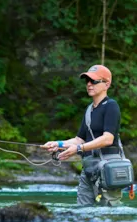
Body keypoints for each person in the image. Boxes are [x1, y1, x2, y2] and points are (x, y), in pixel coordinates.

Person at [41, 64, 124, 206]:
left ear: (107, 84)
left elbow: (108, 138)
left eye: (94, 81)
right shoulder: (89, 110)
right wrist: (58, 144)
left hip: (107, 169)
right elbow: (79, 139)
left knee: (109, 214)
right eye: (87, 81)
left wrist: (79, 149)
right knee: (83, 211)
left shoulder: (111, 106)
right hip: (89, 169)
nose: (89, 84)